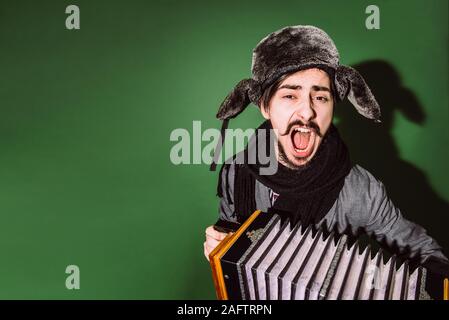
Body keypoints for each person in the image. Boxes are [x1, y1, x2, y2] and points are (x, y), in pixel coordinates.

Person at [203, 25, 448, 299]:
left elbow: (428, 255)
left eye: (320, 97)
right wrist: (220, 246)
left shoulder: (361, 190)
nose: (307, 111)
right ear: (265, 106)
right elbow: (228, 224)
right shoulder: (235, 171)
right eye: (290, 95)